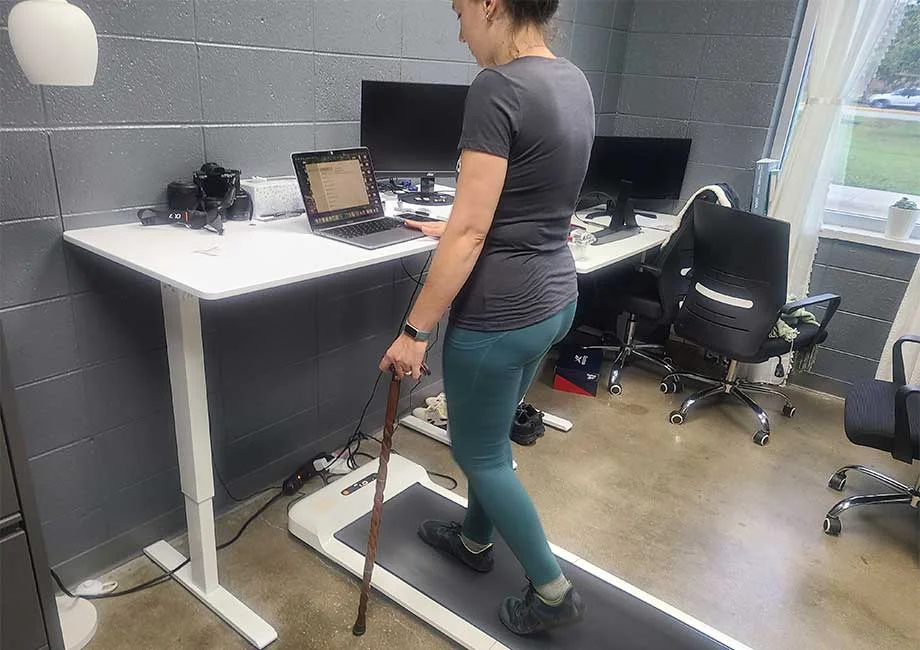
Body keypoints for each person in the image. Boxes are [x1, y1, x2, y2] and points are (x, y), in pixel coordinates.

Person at [378, 0, 595, 635]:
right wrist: (452, 224)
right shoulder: (572, 80)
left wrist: (414, 331)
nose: (460, 27)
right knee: (490, 438)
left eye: (460, 11)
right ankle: (474, 542)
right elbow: (526, 197)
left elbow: (473, 231)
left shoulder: (497, 88)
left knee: (480, 454)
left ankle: (552, 592)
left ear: (491, 5)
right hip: (556, 297)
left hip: (501, 310)